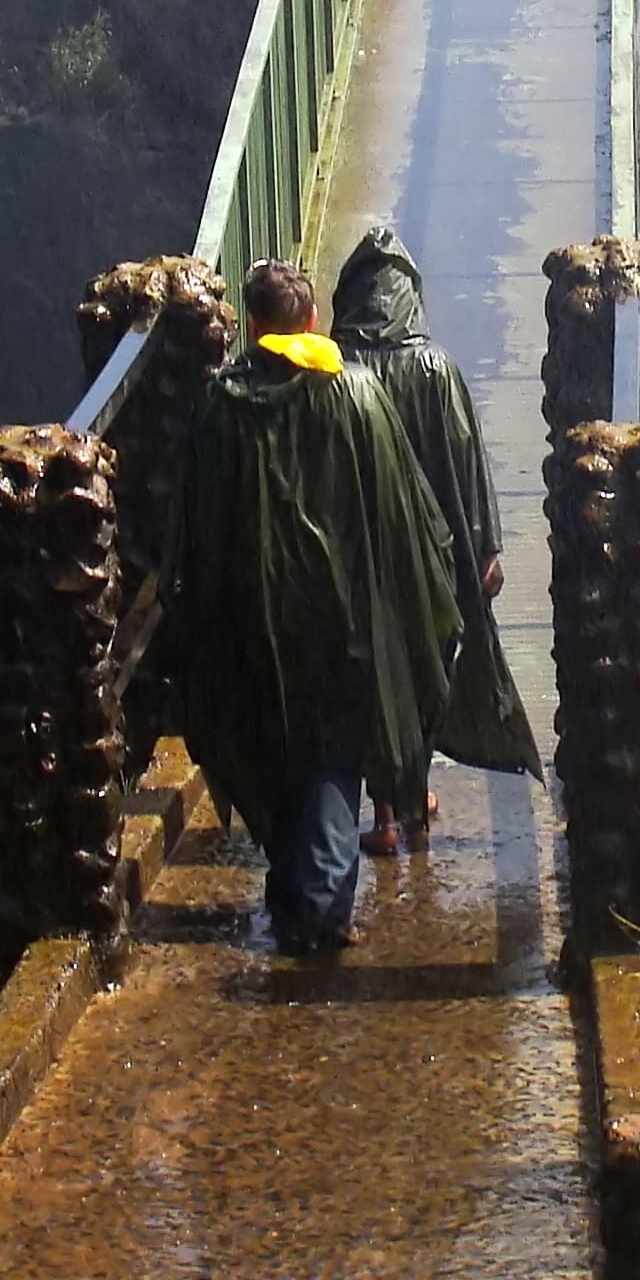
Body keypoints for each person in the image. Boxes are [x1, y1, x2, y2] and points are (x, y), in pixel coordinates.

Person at [166, 259, 461, 952]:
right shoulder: (356, 397)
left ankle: (304, 891)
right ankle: (320, 908)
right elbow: (404, 517)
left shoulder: (220, 404)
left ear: (255, 324)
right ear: (312, 323)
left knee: (273, 749)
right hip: (341, 623)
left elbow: (196, 524)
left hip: (249, 621)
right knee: (331, 759)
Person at [331, 228, 541, 855]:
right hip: (432, 557)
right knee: (424, 673)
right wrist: (487, 549)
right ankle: (415, 795)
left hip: (355, 556)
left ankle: (386, 812)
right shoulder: (436, 368)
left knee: (370, 677)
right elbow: (465, 465)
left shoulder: (335, 370)